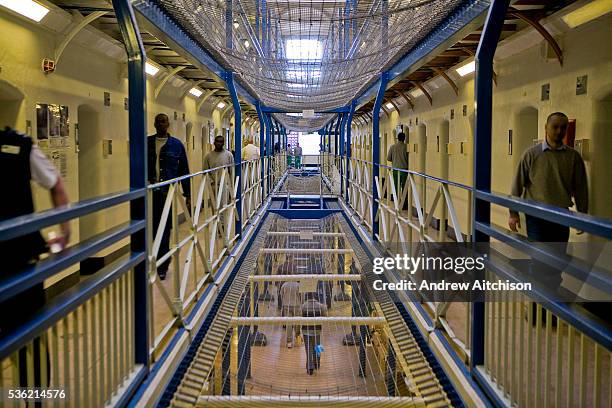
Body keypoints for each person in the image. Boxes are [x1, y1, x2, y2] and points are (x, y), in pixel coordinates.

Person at [0, 126, 70, 395]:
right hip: (19, 259)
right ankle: (35, 397)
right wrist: (64, 232)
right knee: (30, 334)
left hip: (19, 261)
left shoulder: (20, 145)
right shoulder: (20, 145)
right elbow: (57, 186)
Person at [509, 112, 588, 288]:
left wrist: (582, 215)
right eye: (555, 127)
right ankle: (537, 306)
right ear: (546, 128)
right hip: (536, 217)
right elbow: (517, 184)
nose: (559, 131)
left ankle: (550, 306)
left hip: (561, 216)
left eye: (563, 127)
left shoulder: (573, 157)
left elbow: (581, 187)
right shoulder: (531, 155)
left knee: (557, 262)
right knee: (540, 260)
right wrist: (513, 213)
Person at [147, 113, 191, 280]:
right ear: (154, 124)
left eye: (163, 121)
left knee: (164, 229)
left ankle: (162, 265)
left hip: (167, 193)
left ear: (168, 124)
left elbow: (184, 171)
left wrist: (188, 195)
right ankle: (152, 262)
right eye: (158, 121)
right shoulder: (147, 143)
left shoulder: (176, 145)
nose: (161, 124)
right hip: (149, 192)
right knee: (150, 229)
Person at [204, 135, 235, 236]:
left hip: (225, 184)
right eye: (217, 141)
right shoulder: (208, 156)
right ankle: (217, 225)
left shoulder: (229, 155)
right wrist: (211, 182)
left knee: (223, 206)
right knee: (214, 206)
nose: (219, 143)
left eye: (221, 142)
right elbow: (205, 171)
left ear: (224, 143)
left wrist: (231, 186)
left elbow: (231, 171)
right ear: (214, 142)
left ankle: (221, 226)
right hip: (213, 185)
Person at [301, 292, 327, 375]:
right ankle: (317, 363)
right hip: (317, 330)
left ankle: (310, 367)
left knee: (308, 349)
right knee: (318, 347)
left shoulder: (303, 306)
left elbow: (299, 319)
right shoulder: (321, 306)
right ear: (316, 297)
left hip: (306, 331)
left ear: (307, 297)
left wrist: (298, 331)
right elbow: (325, 317)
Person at [386, 132, 409, 204]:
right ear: (404, 138)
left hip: (395, 170)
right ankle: (404, 203)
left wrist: (395, 159)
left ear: (397, 138)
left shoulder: (392, 147)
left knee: (396, 186)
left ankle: (396, 201)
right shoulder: (407, 147)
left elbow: (388, 158)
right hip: (404, 170)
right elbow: (409, 159)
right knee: (405, 187)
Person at [280, 279, 302, 348]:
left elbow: (281, 295)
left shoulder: (284, 285)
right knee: (297, 322)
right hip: (297, 305)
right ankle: (298, 338)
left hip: (286, 305)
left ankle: (289, 342)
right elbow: (301, 296)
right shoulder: (298, 285)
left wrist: (284, 302)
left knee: (289, 324)